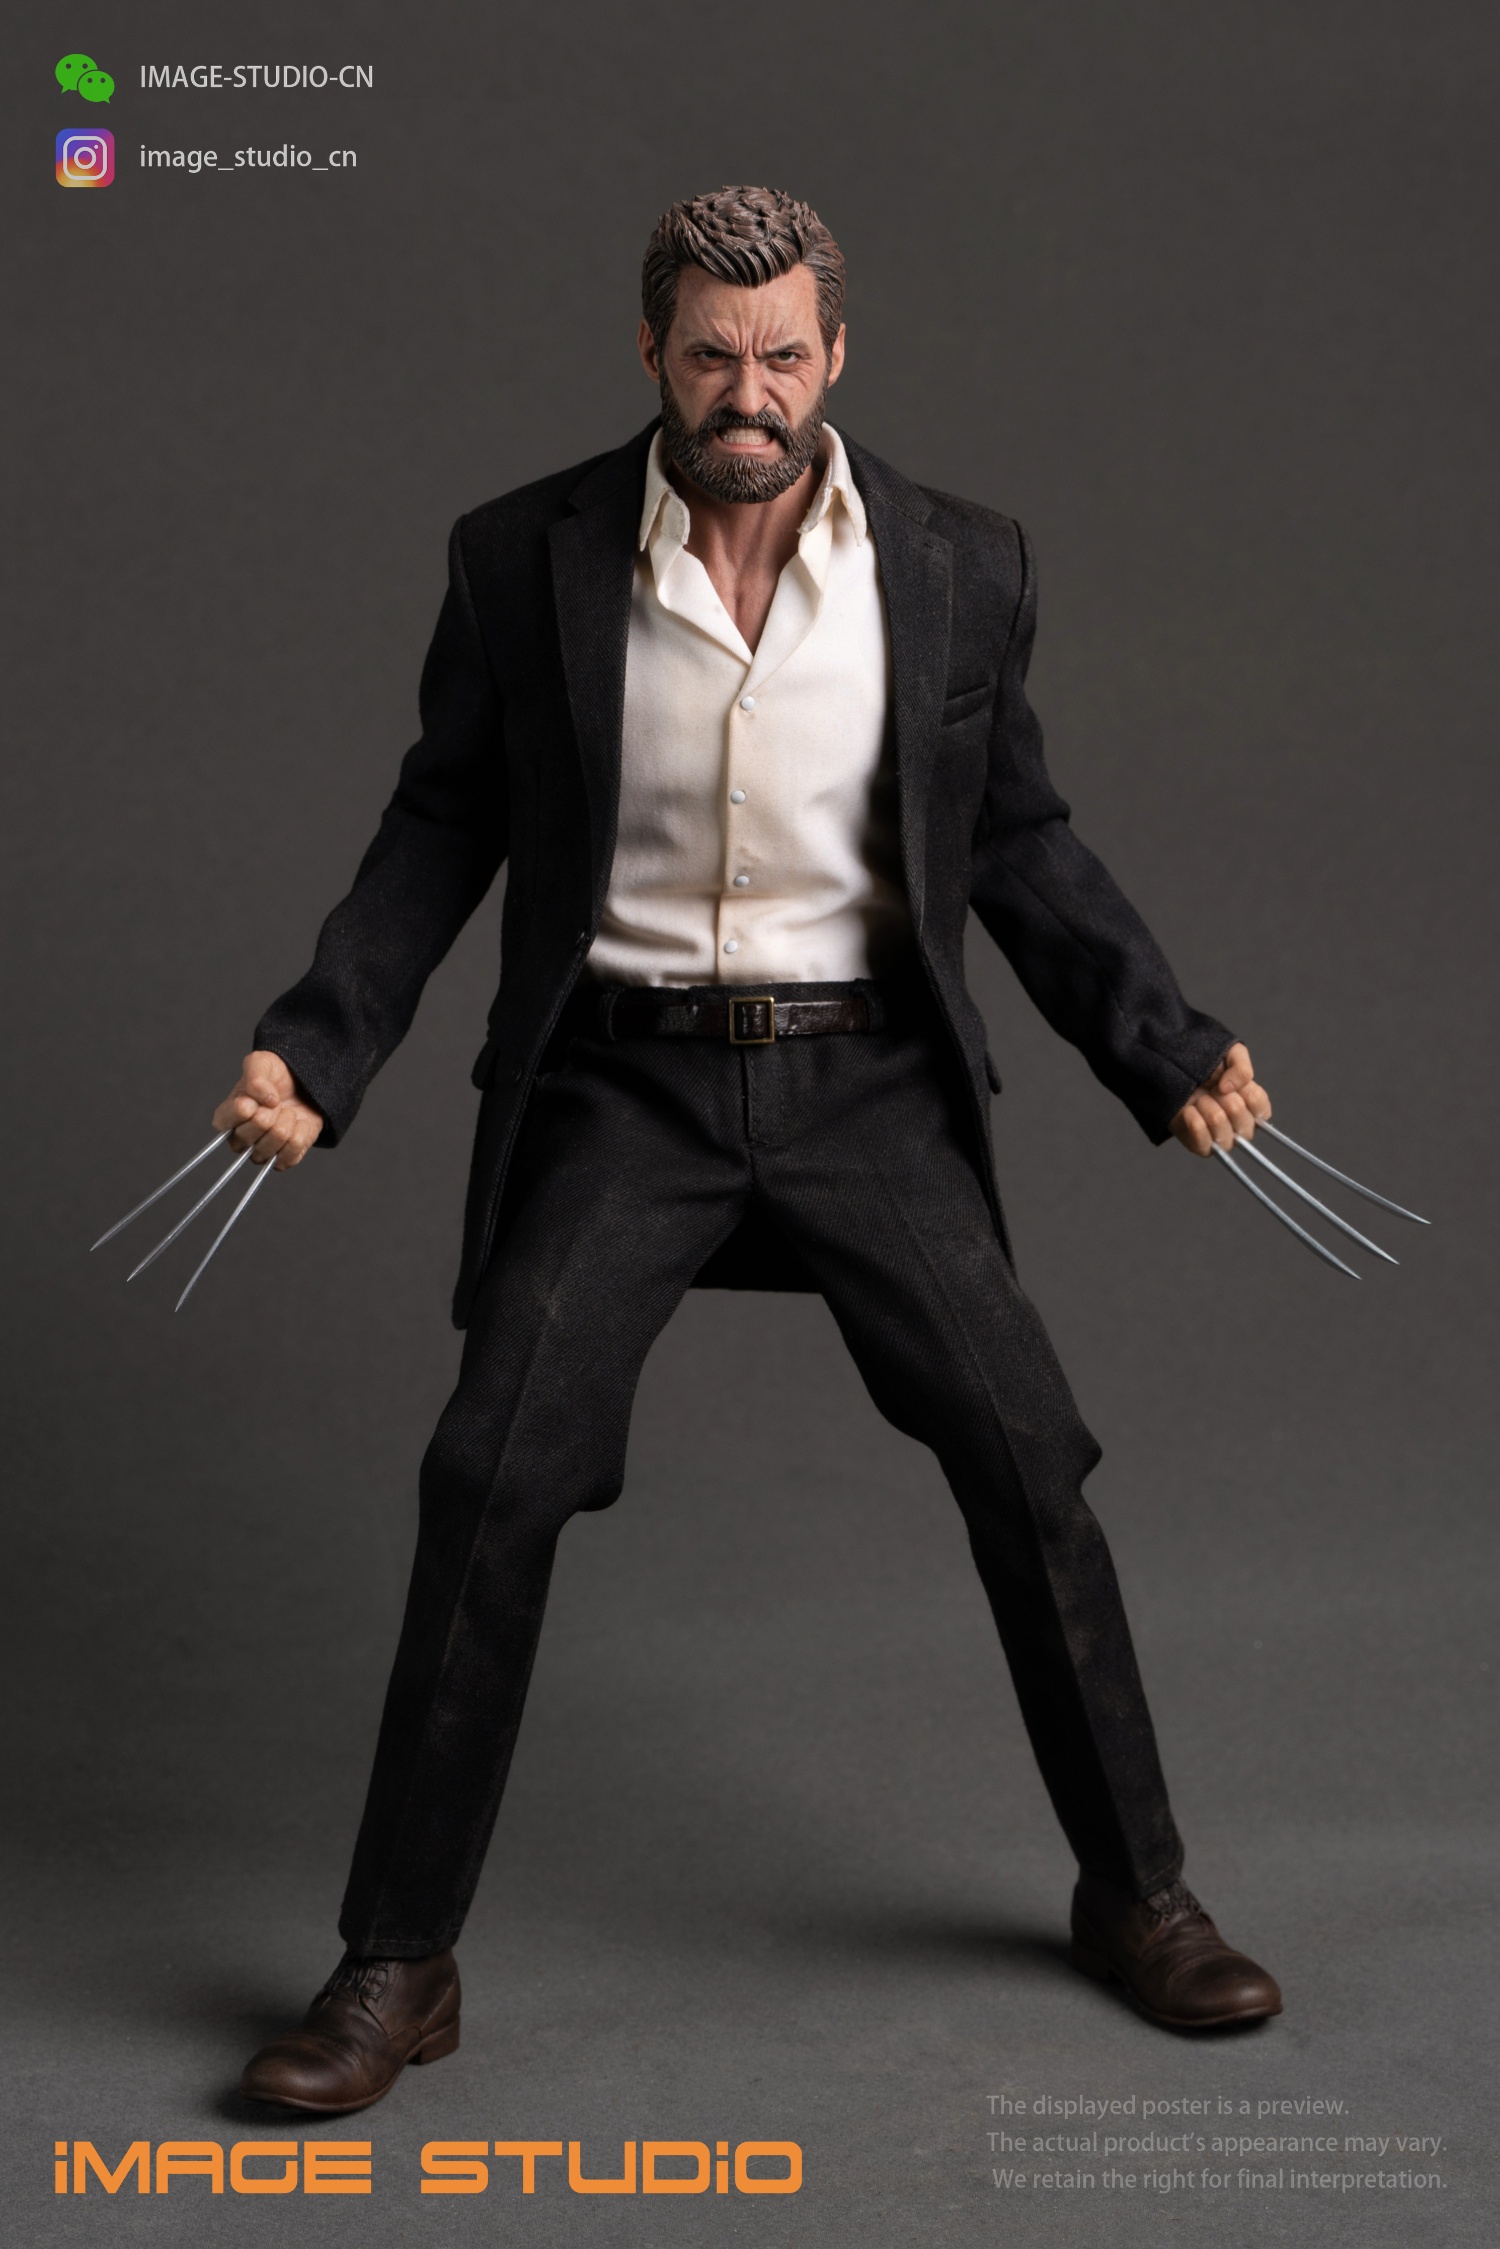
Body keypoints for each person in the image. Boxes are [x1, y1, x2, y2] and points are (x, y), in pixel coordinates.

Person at [226, 186, 1281, 2116]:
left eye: (785, 354)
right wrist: (320, 1045)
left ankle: (1140, 1893)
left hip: (867, 1082)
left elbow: (1018, 839)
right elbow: (443, 823)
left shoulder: (960, 562)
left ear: (836, 355)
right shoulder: (522, 556)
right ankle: (397, 1960)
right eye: (713, 355)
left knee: (1032, 1458)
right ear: (651, 351)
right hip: (621, 1090)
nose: (750, 392)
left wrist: (1164, 1041)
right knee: (488, 1471)